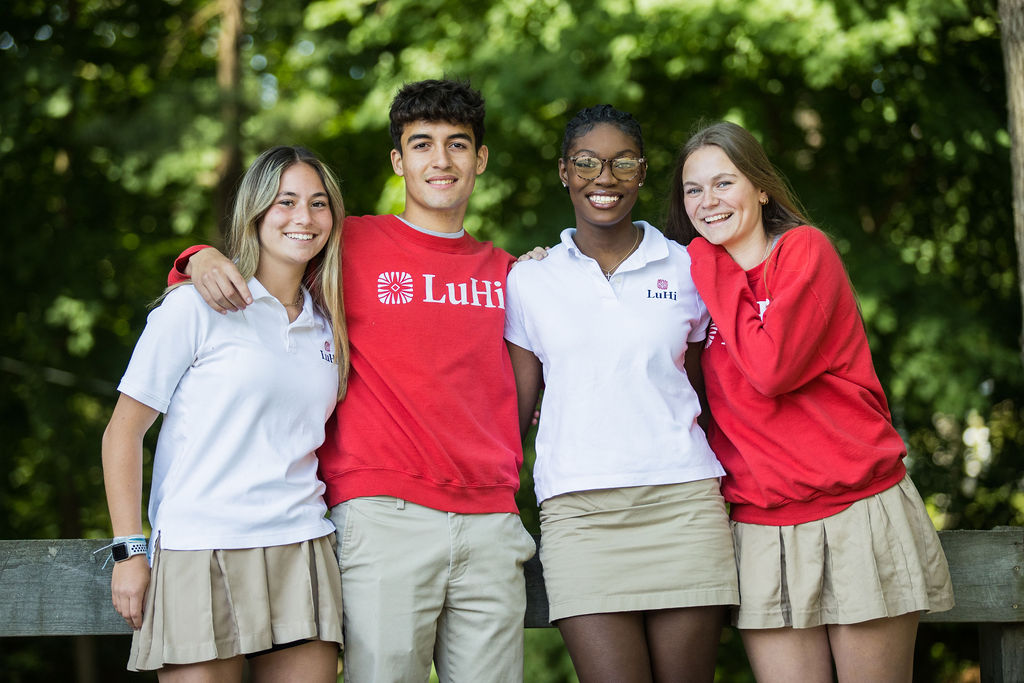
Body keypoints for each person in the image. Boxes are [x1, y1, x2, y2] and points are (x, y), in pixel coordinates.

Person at [166, 79, 537, 683]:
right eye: (422, 144)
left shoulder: (513, 274)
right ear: (398, 160)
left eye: (458, 144)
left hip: (491, 522)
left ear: (481, 158)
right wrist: (197, 255)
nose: (440, 161)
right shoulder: (349, 242)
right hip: (382, 516)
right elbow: (272, 242)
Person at [664, 120, 954, 683]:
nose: (708, 201)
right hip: (762, 528)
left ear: (762, 187)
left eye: (724, 183)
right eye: (693, 190)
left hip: (856, 513)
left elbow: (772, 369)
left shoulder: (802, 250)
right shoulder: (692, 277)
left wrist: (709, 260)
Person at [504, 105, 738, 683]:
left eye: (622, 162)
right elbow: (514, 415)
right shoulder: (529, 280)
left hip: (682, 505)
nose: (603, 178)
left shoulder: (690, 268)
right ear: (564, 171)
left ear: (642, 171)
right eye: (586, 162)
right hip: (579, 515)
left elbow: (718, 391)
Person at [101, 145, 348, 681]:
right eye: (285, 201)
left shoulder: (330, 322)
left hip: (300, 546)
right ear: (255, 211)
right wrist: (128, 550)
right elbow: (123, 433)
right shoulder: (193, 307)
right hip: (201, 548)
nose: (303, 217)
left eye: (318, 203)